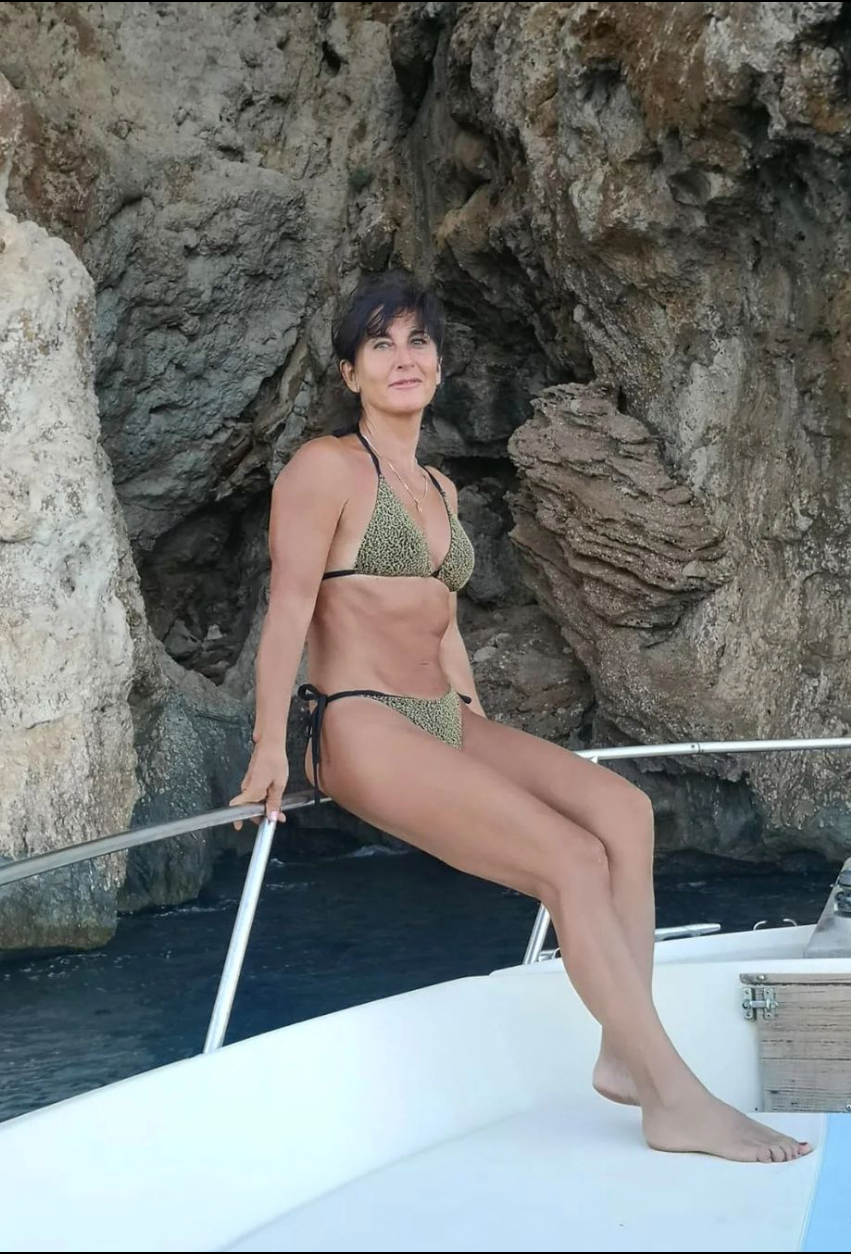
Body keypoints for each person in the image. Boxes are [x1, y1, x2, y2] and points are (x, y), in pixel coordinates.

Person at [229, 270, 811, 1163]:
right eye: (380, 344)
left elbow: (442, 616)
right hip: (361, 720)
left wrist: (473, 720)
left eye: (417, 341)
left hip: (442, 715)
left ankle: (621, 1053)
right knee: (572, 859)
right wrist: (270, 745)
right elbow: (289, 610)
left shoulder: (440, 487)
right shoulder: (326, 468)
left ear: (439, 364)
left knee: (624, 812)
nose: (402, 358)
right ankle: (675, 1099)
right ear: (350, 373)